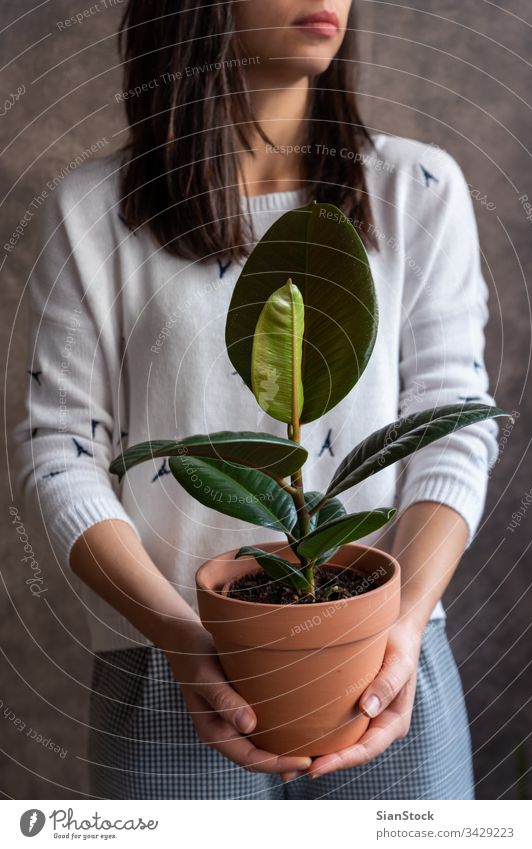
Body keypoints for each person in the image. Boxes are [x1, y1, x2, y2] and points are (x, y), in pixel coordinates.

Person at [13, 0, 499, 800]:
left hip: (385, 665)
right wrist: (179, 633)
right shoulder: (91, 211)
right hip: (172, 675)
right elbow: (61, 449)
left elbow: (452, 427)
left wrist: (403, 624)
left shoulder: (416, 188)